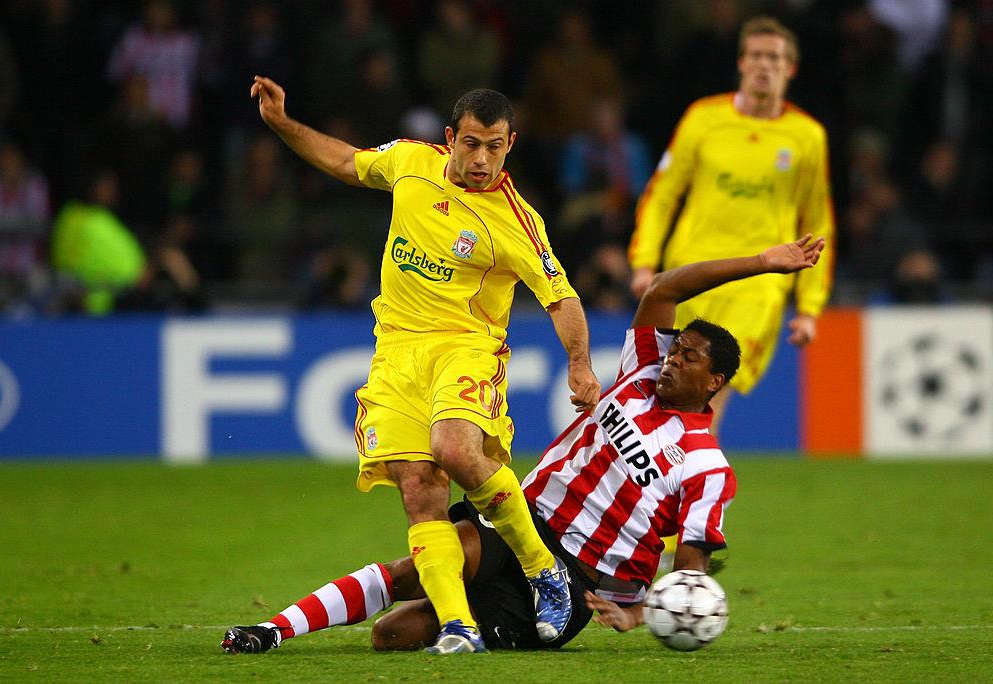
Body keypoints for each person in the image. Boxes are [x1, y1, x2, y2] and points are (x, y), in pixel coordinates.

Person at [220, 235, 826, 654]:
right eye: (675, 349)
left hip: (583, 580)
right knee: (416, 569)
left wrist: (641, 612)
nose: (672, 361)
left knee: (393, 634)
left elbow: (692, 569)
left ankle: (485, 621)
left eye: (689, 358)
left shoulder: (707, 466)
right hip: (526, 526)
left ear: (715, 382)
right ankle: (275, 629)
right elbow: (663, 288)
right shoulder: (641, 371)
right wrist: (762, 262)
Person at [246, 76, 601, 654]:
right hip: (396, 353)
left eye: (494, 146)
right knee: (419, 489)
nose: (481, 159)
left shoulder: (516, 221)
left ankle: (543, 568)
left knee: (455, 450)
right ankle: (460, 627)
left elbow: (560, 298)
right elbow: (346, 162)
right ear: (450, 138)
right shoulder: (411, 162)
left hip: (465, 346)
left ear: (510, 144)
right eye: (471, 144)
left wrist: (579, 364)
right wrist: (283, 124)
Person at [628, 16, 835, 434]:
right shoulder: (703, 119)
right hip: (692, 272)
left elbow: (817, 220)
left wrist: (809, 307)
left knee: (708, 386)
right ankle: (674, 471)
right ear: (741, 62)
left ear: (790, 68)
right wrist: (644, 263)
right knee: (665, 388)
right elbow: (662, 194)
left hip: (759, 285)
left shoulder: (806, 136)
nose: (764, 65)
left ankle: (692, 473)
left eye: (774, 58)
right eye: (756, 55)